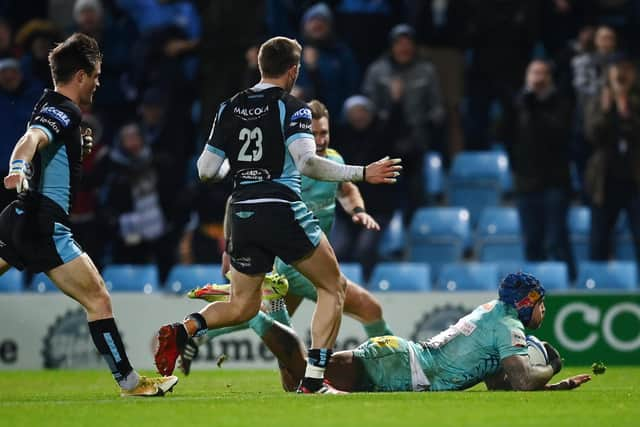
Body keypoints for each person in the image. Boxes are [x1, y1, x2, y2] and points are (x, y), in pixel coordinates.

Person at [153, 36, 401, 394]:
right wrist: (363, 172)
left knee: (241, 305)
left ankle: (185, 330)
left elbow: (206, 170)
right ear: (294, 70)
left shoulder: (229, 107)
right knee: (334, 287)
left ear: (260, 66)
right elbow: (307, 162)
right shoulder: (294, 107)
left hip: (241, 211)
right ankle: (315, 383)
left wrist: (242, 170)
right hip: (281, 209)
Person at [0, 33, 178, 397]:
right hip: (45, 224)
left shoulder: (48, 105)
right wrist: (18, 165)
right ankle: (131, 383)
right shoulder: (65, 110)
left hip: (19, 216)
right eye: (95, 75)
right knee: (99, 300)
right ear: (80, 75)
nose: (98, 82)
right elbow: (31, 139)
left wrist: (72, 147)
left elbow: (43, 139)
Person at [179, 99, 394, 374]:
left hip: (306, 262)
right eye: (313, 134)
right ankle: (388, 364)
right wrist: (228, 249)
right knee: (369, 308)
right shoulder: (286, 167)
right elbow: (238, 199)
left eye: (324, 133)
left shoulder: (335, 161)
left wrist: (359, 211)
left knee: (257, 317)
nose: (319, 140)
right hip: (291, 264)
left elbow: (346, 189)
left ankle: (197, 336)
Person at [253, 272, 592, 392]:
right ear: (525, 303)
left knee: (292, 383)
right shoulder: (508, 326)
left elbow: (498, 382)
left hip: (402, 361)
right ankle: (252, 310)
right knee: (301, 376)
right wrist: (551, 366)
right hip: (399, 366)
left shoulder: (497, 312)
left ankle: (275, 304)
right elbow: (521, 381)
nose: (544, 312)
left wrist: (552, 387)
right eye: (540, 304)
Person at [503, 60, 576, 280]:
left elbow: (560, 135)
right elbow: (503, 134)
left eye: (543, 73)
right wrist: (519, 105)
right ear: (527, 77)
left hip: (555, 183)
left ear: (550, 78)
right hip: (526, 183)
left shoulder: (560, 103)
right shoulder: (519, 104)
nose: (538, 77)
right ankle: (532, 292)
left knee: (556, 240)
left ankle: (568, 285)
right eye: (534, 72)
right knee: (532, 241)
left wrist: (535, 107)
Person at [585, 53, 640, 264]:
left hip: (634, 180)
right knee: (599, 238)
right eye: (617, 70)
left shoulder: (636, 101)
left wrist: (626, 107)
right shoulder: (599, 100)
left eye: (626, 70)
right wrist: (608, 110)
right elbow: (593, 134)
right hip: (604, 181)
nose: (621, 75)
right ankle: (595, 286)